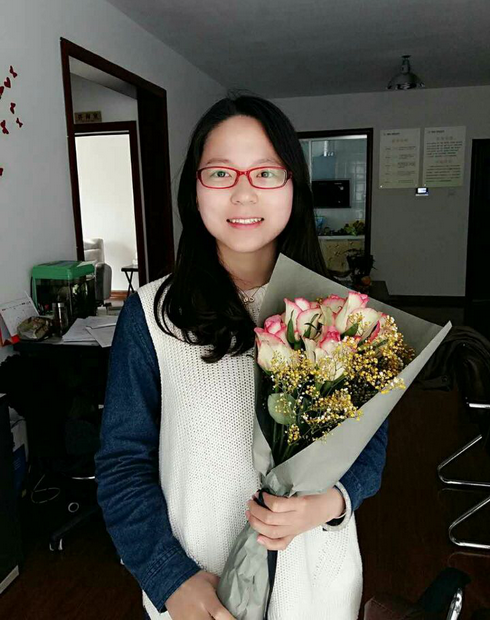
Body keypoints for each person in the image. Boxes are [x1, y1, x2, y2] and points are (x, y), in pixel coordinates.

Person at [95, 92, 389, 620]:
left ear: (294, 187)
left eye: (266, 173)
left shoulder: (341, 313)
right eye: (220, 173)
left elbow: (370, 439)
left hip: (316, 580)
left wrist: (334, 501)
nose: (244, 193)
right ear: (195, 191)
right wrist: (169, 579)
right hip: (197, 588)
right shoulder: (151, 315)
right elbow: (122, 463)